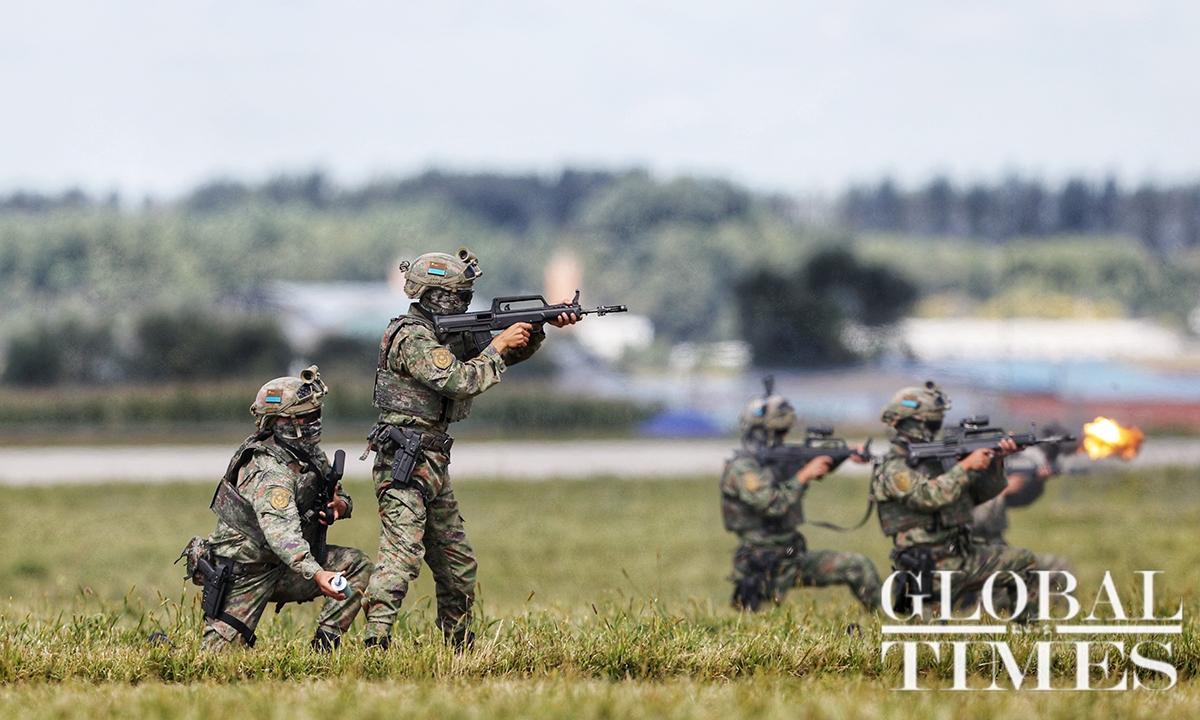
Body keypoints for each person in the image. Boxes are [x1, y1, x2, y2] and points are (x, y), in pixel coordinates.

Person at [361, 247, 578, 650]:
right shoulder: (412, 337)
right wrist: (497, 346)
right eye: (459, 294)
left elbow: (497, 355)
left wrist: (537, 327)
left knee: (457, 564)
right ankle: (375, 641)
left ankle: (459, 644)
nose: (465, 300)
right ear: (435, 294)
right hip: (404, 460)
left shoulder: (445, 332)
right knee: (401, 556)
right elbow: (461, 380)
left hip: (432, 460)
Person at [183, 366, 372, 651]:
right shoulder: (270, 471)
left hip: (285, 568)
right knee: (214, 659)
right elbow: (282, 535)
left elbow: (336, 493)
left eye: (316, 414)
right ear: (280, 421)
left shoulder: (307, 453)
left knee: (357, 565)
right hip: (247, 574)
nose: (314, 422)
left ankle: (324, 649)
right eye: (306, 417)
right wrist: (317, 573)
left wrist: (340, 506)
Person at [869, 381, 1038, 616]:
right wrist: (966, 466)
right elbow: (928, 497)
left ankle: (1028, 630)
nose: (936, 427)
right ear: (912, 422)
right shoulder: (893, 467)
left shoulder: (937, 461)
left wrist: (996, 461)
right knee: (928, 635)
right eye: (932, 422)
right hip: (928, 569)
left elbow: (978, 495)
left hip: (961, 557)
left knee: (1025, 562)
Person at [720, 389, 882, 612]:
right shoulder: (743, 468)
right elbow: (773, 504)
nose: (784, 436)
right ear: (760, 431)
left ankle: (882, 618)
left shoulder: (779, 458)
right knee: (756, 620)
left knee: (858, 566)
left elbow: (812, 458)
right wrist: (804, 476)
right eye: (779, 432)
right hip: (761, 561)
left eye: (785, 431)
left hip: (790, 554)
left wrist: (846, 452)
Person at [972, 428, 1076, 576]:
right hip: (973, 555)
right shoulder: (956, 482)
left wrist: (1037, 482)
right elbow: (974, 520)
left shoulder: (983, 477)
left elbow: (1017, 501)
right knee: (1058, 567)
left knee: (1058, 567)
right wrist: (1002, 491)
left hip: (993, 550)